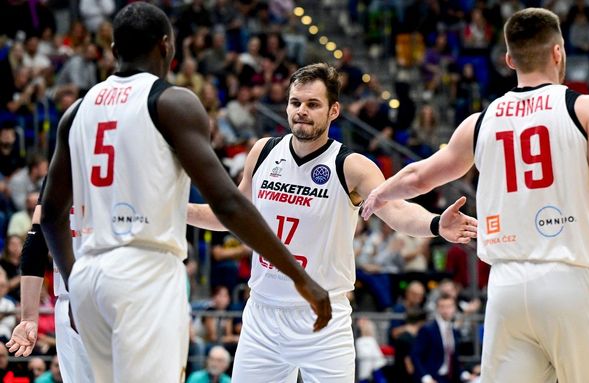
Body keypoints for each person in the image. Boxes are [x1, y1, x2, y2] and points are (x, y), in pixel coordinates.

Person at [362, 8, 589, 382]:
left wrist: (378, 194)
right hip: (569, 280)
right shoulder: (586, 109)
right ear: (559, 52)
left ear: (509, 59)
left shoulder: (480, 122)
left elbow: (418, 176)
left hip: (506, 290)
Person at [38, 3, 331, 383]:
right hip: (142, 273)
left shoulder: (75, 111)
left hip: (87, 274)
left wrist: (74, 279)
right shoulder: (172, 102)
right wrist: (298, 275)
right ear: (166, 46)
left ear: (113, 50)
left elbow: (49, 215)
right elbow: (228, 202)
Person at [187, 62, 477, 382]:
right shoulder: (263, 151)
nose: (301, 111)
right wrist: (174, 210)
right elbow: (230, 215)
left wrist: (436, 224)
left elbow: (395, 210)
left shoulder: (350, 166)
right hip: (262, 316)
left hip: (324, 317)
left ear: (333, 110)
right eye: (295, 102)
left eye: (313, 104)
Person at [7, 199, 95, 383]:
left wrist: (29, 317)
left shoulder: (62, 172)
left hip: (74, 299)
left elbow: (37, 238)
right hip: (123, 290)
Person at [410, 294, 462, 383]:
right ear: (437, 308)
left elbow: (453, 358)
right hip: (432, 377)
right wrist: (425, 377)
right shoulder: (428, 329)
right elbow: (415, 355)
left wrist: (463, 374)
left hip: (449, 378)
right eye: (442, 307)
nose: (446, 310)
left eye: (449, 307)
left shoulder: (454, 330)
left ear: (454, 308)